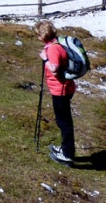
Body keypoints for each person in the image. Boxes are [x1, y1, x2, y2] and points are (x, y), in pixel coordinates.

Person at [36, 20, 76, 166]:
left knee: (64, 122)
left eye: (38, 35)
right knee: (63, 121)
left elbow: (54, 68)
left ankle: (67, 154)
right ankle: (66, 149)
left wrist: (45, 58)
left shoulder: (52, 49)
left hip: (61, 90)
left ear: (43, 35)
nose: (37, 38)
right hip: (64, 88)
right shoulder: (56, 44)